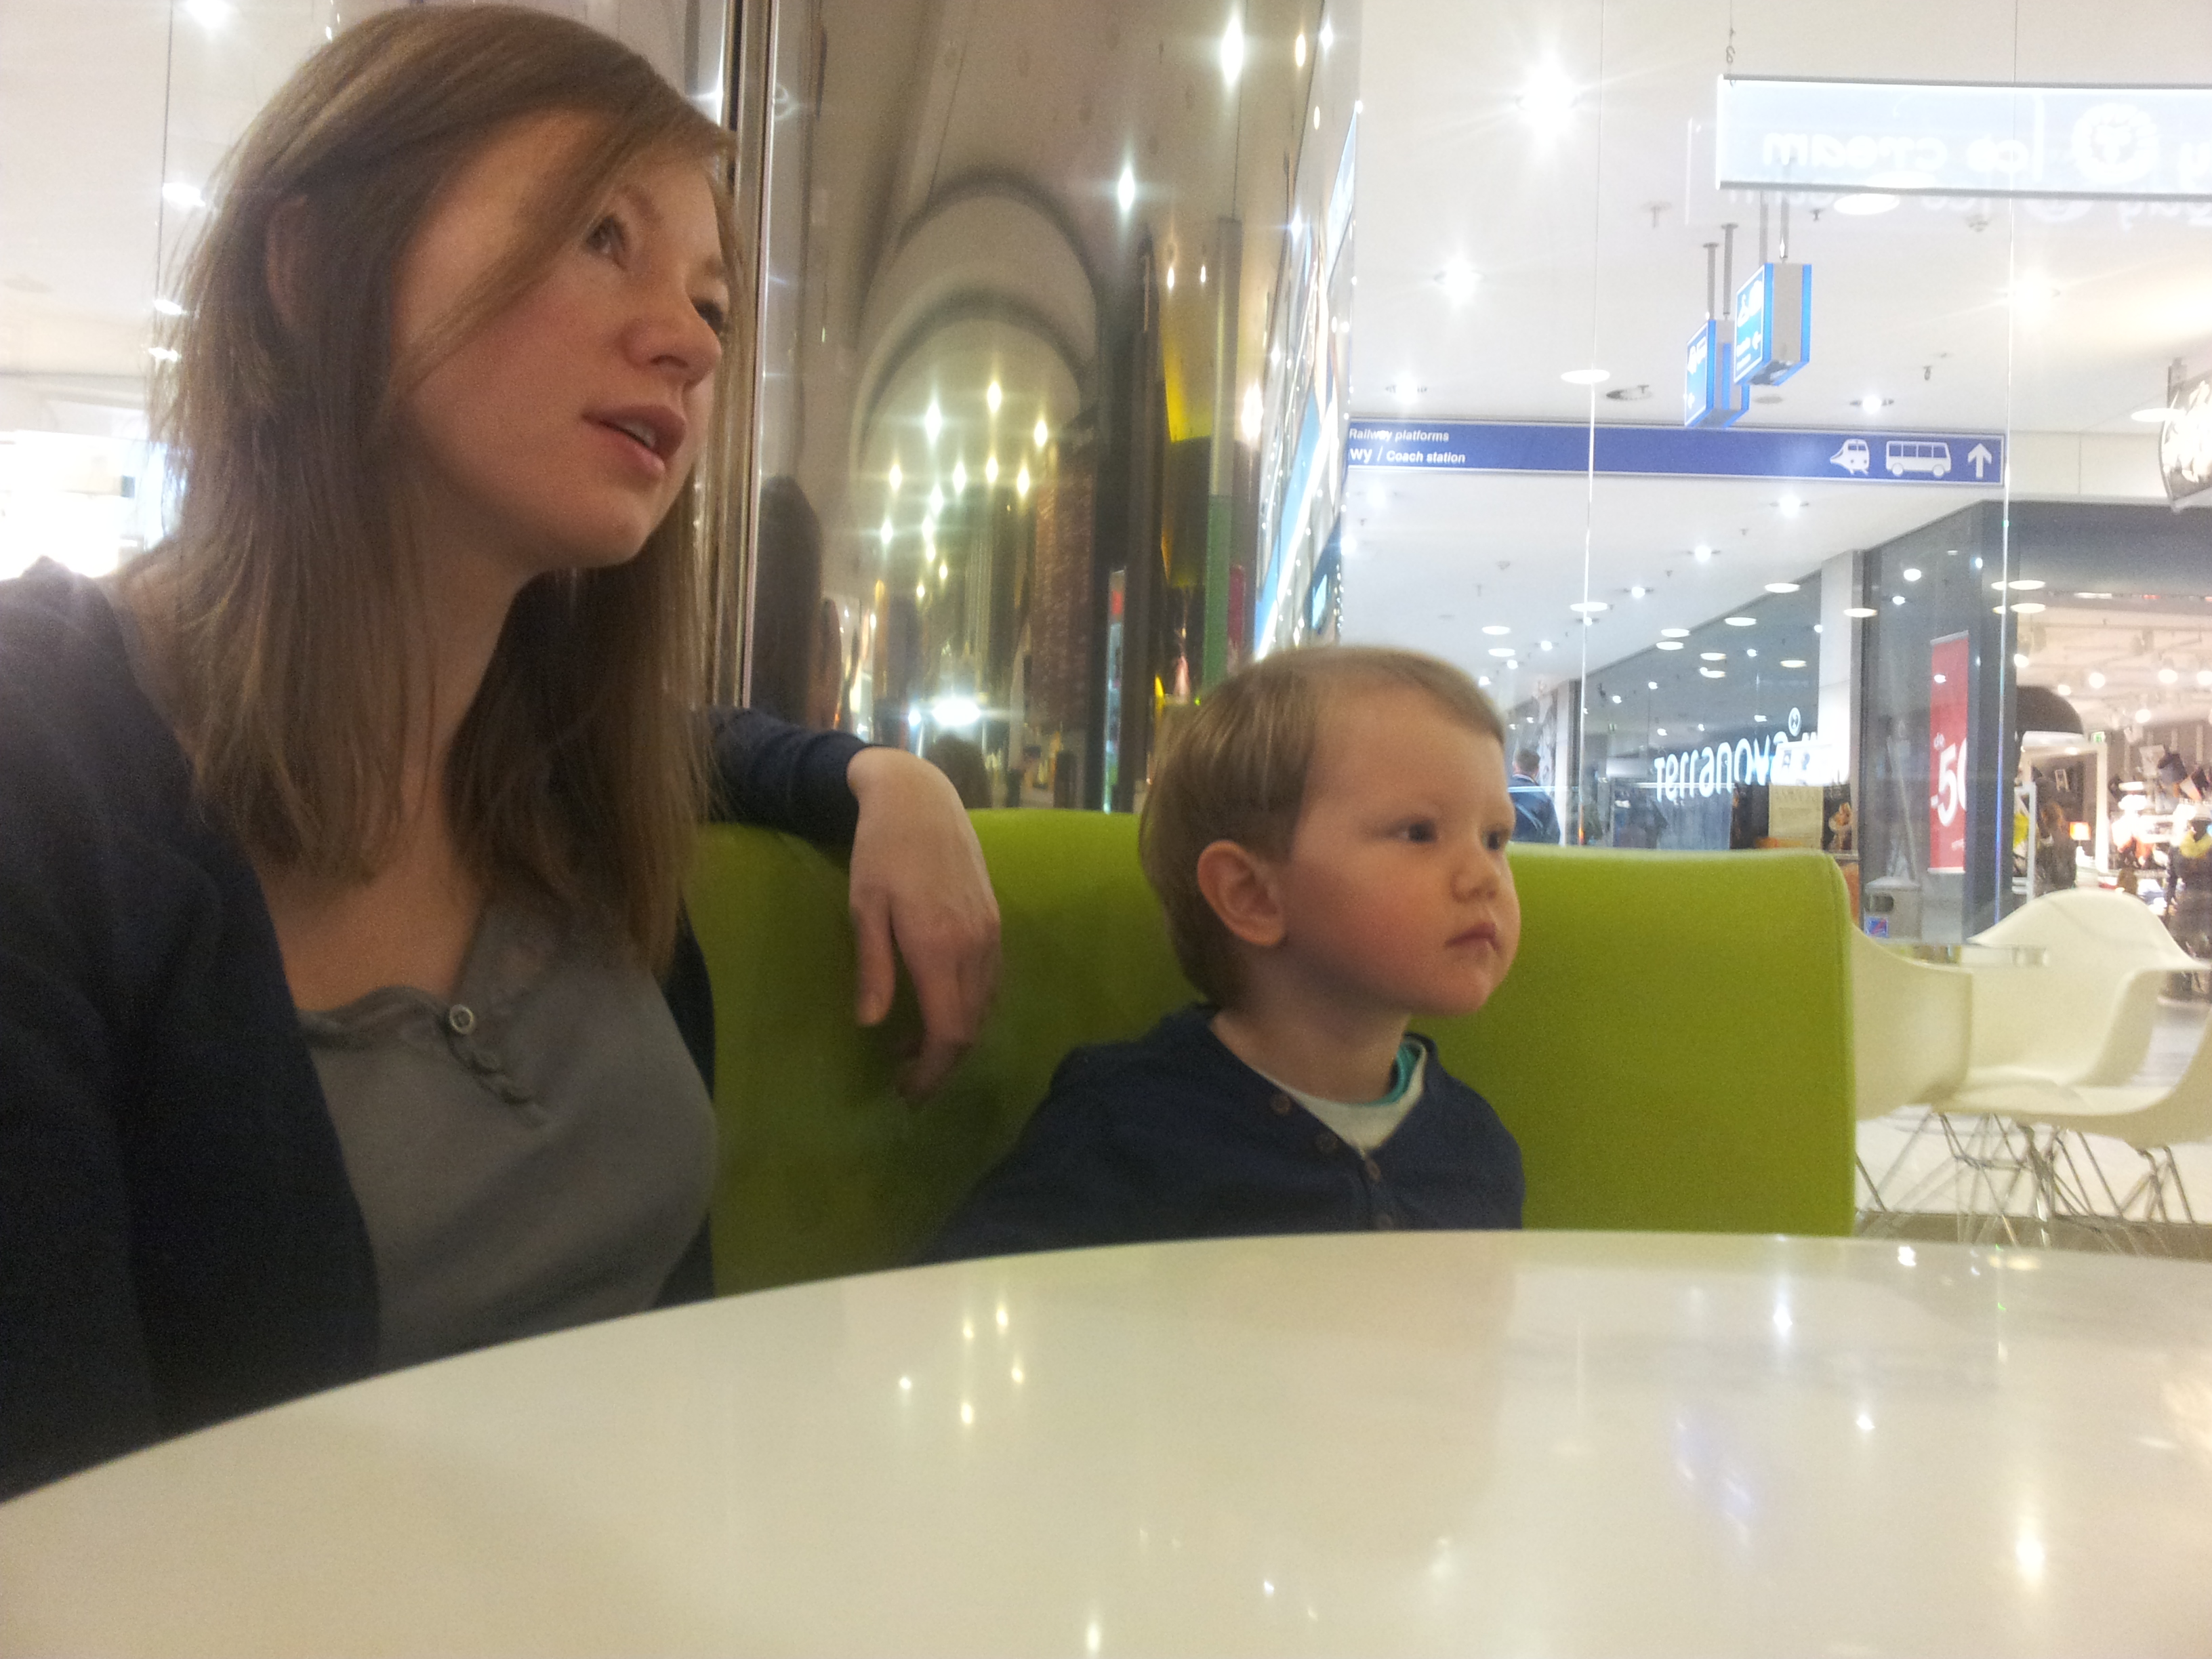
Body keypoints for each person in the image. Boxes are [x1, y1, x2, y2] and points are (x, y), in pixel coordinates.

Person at [0, 7, 998, 1500]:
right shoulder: (44, 769)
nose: (688, 341)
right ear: (313, 268)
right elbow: (55, 1533)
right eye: (600, 237)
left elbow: (698, 746)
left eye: (713, 303)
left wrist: (876, 776)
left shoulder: (551, 765)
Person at [921, 647, 1524, 1262]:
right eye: (1419, 833)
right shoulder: (1127, 1127)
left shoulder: (1476, 1145)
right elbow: (966, 1298)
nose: (1485, 877)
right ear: (1252, 895)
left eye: (1495, 838)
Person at [2168, 808, 2212, 961]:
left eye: (2204, 824)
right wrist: (2168, 899)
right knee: (2177, 937)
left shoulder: (2209, 847)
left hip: (2207, 899)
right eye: (2197, 823)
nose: (2200, 826)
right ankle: (2186, 968)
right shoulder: (2179, 847)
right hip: (2189, 898)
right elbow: (2172, 876)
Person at [1509, 745, 1561, 844]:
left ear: (1515, 766)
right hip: (1532, 852)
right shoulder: (1544, 800)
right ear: (1537, 770)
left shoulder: (1501, 792)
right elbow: (1553, 837)